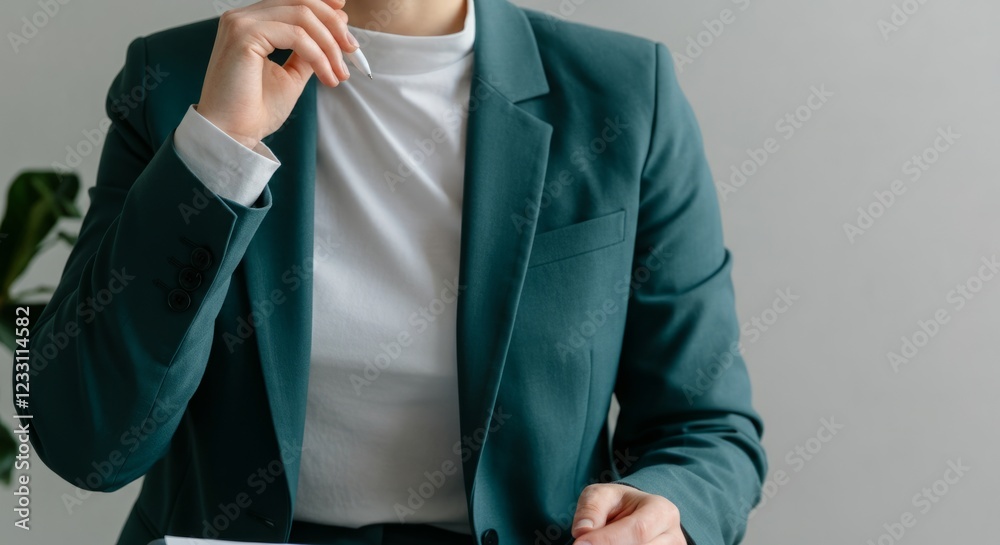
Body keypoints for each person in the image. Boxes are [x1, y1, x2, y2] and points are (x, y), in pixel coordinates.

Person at [16, 0, 767, 544]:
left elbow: (707, 425)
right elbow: (90, 443)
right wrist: (217, 149)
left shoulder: (626, 92)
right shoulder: (180, 78)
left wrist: (665, 509)